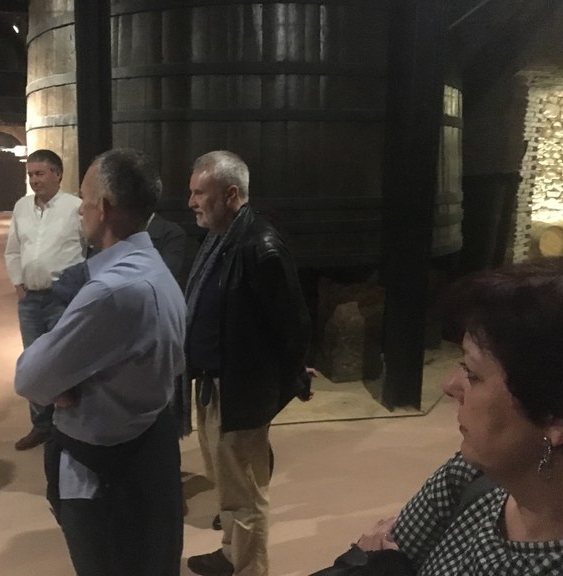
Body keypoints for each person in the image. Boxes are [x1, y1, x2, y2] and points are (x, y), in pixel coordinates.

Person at [15, 148, 186, 576]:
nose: (80, 211)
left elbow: (30, 378)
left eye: (85, 200)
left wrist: (61, 381)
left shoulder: (110, 291)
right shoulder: (154, 268)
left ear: (105, 207)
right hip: (150, 451)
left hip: (106, 474)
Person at [352, 258, 563, 574]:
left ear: (554, 419)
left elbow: (374, 559)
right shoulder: (473, 475)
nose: (450, 385)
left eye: (473, 374)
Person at [184, 150, 311, 576]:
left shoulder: (261, 247)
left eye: (200, 193)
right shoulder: (222, 239)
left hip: (240, 391)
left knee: (245, 494)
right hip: (213, 385)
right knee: (226, 482)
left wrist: (280, 385)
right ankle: (229, 554)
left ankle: (249, 569)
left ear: (231, 194)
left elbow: (293, 326)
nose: (191, 202)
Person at [4, 149, 85, 451]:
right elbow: (13, 250)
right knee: (35, 362)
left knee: (65, 360)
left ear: (57, 174)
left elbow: (90, 247)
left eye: (39, 173)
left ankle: (69, 426)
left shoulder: (75, 207)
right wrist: (18, 284)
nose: (34, 180)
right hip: (30, 300)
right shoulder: (21, 207)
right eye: (30, 174)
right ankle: (41, 425)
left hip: (63, 298)